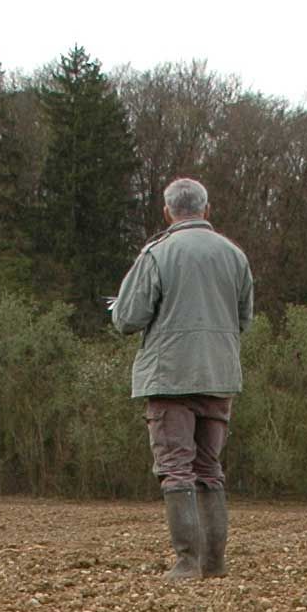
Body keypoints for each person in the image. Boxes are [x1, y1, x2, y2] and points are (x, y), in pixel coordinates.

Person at [109, 177, 255, 583]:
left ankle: (187, 562)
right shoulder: (235, 255)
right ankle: (215, 563)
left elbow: (127, 318)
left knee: (176, 468)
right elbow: (244, 319)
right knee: (210, 468)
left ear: (167, 212)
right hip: (220, 375)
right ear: (206, 210)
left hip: (170, 376)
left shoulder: (157, 254)